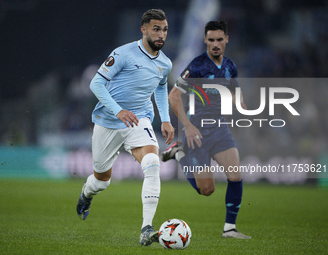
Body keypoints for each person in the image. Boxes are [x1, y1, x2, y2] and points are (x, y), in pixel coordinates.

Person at [76, 9, 175, 246]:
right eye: (156, 29)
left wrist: (166, 119)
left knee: (152, 164)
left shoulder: (165, 63)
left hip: (139, 119)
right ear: (143, 29)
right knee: (102, 181)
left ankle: (146, 228)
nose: (161, 34)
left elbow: (161, 87)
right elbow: (96, 83)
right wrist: (117, 110)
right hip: (108, 121)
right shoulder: (123, 53)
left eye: (164, 30)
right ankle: (86, 193)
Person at [162, 21, 250, 239]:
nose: (215, 44)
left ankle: (229, 228)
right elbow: (173, 96)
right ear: (205, 41)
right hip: (197, 132)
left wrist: (242, 106)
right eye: (211, 40)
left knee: (236, 176)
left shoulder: (230, 66)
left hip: (220, 130)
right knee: (206, 190)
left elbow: (234, 90)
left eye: (219, 39)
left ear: (227, 39)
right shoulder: (197, 66)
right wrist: (188, 126)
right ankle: (179, 153)